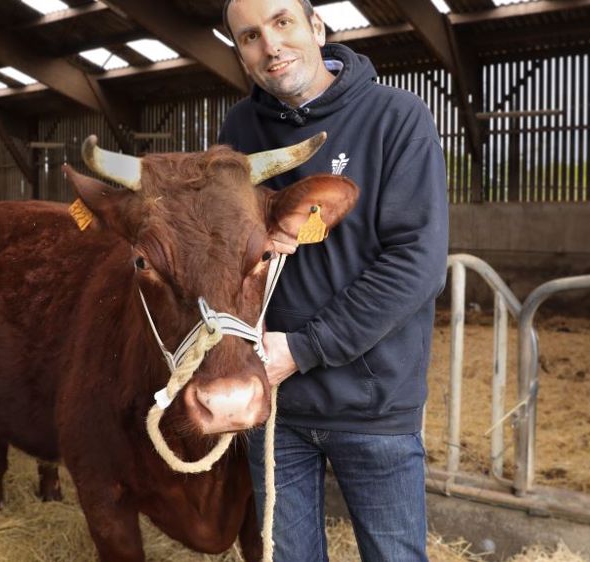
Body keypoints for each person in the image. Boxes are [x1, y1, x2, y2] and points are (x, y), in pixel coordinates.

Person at [220, 0, 448, 560]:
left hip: (373, 405)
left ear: (317, 27)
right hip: (275, 403)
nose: (270, 46)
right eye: (250, 37)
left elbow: (416, 262)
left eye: (282, 22)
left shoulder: (397, 117)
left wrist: (304, 349)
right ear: (242, 55)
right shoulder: (239, 130)